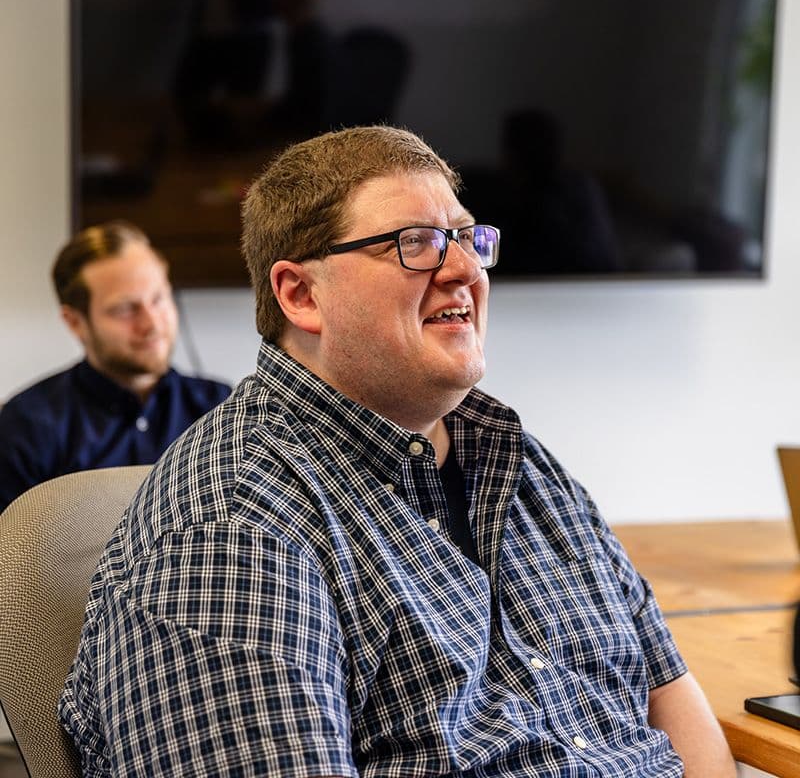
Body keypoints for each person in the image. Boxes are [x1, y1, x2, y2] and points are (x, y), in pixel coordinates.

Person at [59, 127, 735, 777]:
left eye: (468, 238)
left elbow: (669, 693)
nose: (466, 268)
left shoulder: (521, 462)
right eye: (417, 243)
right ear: (300, 295)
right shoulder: (229, 530)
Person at [0, 220, 230, 511]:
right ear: (75, 322)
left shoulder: (219, 407)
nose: (151, 324)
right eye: (125, 309)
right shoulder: (29, 425)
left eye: (158, 298)